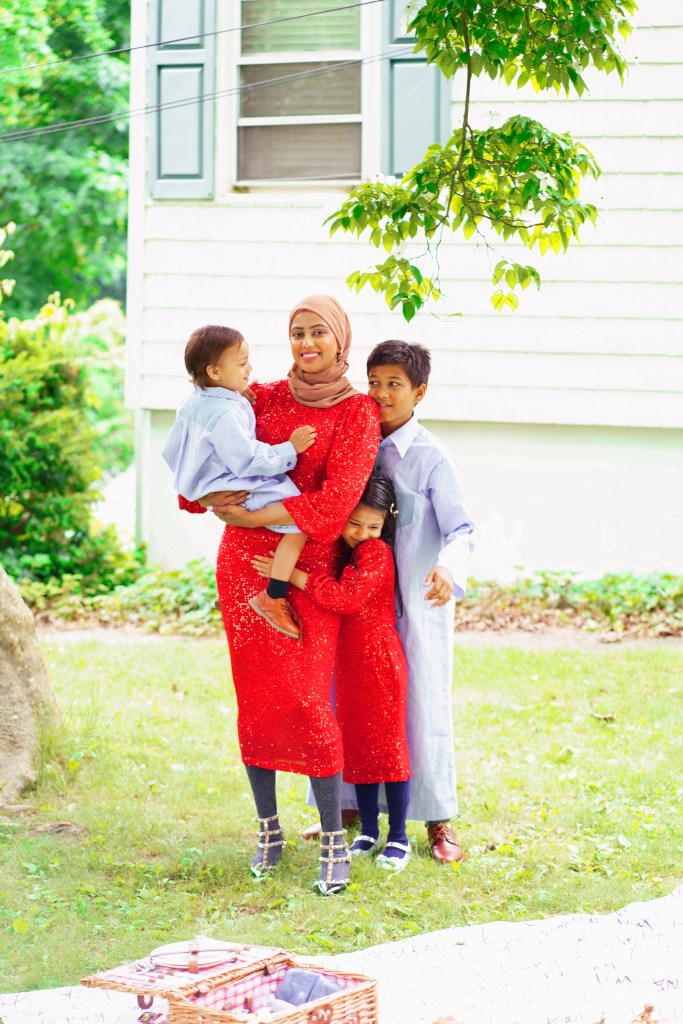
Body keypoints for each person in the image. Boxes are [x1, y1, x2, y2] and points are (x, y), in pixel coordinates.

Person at [179, 296, 380, 895]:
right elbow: (200, 449)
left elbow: (336, 504)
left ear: (340, 339)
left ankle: (334, 840)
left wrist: (254, 514)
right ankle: (268, 830)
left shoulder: (358, 412)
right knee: (257, 701)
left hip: (306, 570)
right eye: (297, 333)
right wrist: (211, 499)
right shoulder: (258, 397)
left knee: (309, 702)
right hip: (243, 568)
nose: (306, 343)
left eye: (318, 332)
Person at [253, 475, 412, 873]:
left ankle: (398, 836)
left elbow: (346, 598)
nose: (362, 533)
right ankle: (369, 831)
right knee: (357, 747)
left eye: (373, 526)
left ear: (385, 524)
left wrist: (291, 575)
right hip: (350, 664)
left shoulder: (376, 553)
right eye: (354, 523)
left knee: (387, 749)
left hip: (379, 663)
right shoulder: (346, 552)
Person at [364, 339, 476, 863]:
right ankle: (353, 810)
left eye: (394, 384)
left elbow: (462, 529)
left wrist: (448, 568)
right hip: (363, 601)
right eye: (374, 382)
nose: (382, 394)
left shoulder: (432, 457)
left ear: (419, 392)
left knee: (423, 702)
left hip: (419, 601)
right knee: (357, 699)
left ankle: (437, 818)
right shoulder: (359, 444)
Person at [162, 324, 316, 640]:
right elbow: (247, 460)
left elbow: (171, 450)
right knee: (301, 519)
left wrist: (198, 486)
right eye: (242, 363)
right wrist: (290, 449)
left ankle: (252, 594)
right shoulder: (225, 413)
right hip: (235, 484)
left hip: (210, 485)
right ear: (215, 372)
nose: (250, 368)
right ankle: (273, 596)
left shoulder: (195, 402)